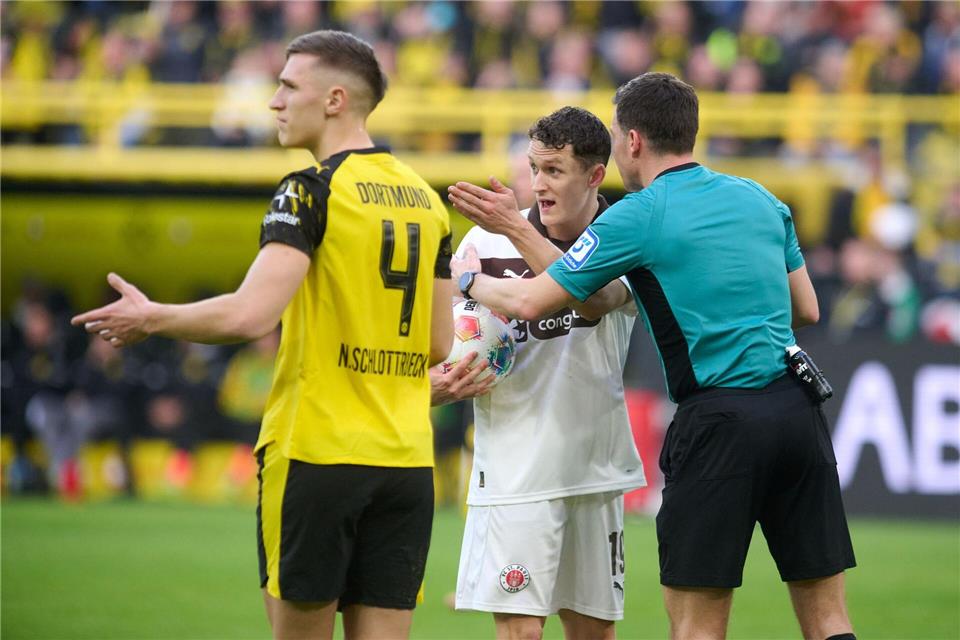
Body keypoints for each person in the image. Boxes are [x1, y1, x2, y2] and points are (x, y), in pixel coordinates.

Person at [72, 30, 455, 640]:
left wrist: (153, 317)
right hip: (406, 462)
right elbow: (438, 346)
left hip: (318, 454)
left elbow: (251, 317)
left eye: (287, 86)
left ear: (334, 100)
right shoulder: (427, 202)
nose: (274, 101)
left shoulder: (308, 190)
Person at [457, 73, 857, 640]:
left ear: (634, 141)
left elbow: (528, 301)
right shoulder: (762, 199)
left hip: (719, 421)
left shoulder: (638, 214)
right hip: (798, 413)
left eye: (618, 135)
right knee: (828, 617)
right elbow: (808, 309)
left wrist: (470, 279)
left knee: (696, 624)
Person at [437, 106, 646, 640]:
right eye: (534, 168)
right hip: (514, 468)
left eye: (554, 170)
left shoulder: (628, 234)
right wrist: (442, 381)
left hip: (595, 467)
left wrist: (504, 237)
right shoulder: (483, 245)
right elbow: (450, 345)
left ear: (595, 175)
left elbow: (596, 296)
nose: (538, 184)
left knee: (593, 633)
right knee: (522, 632)